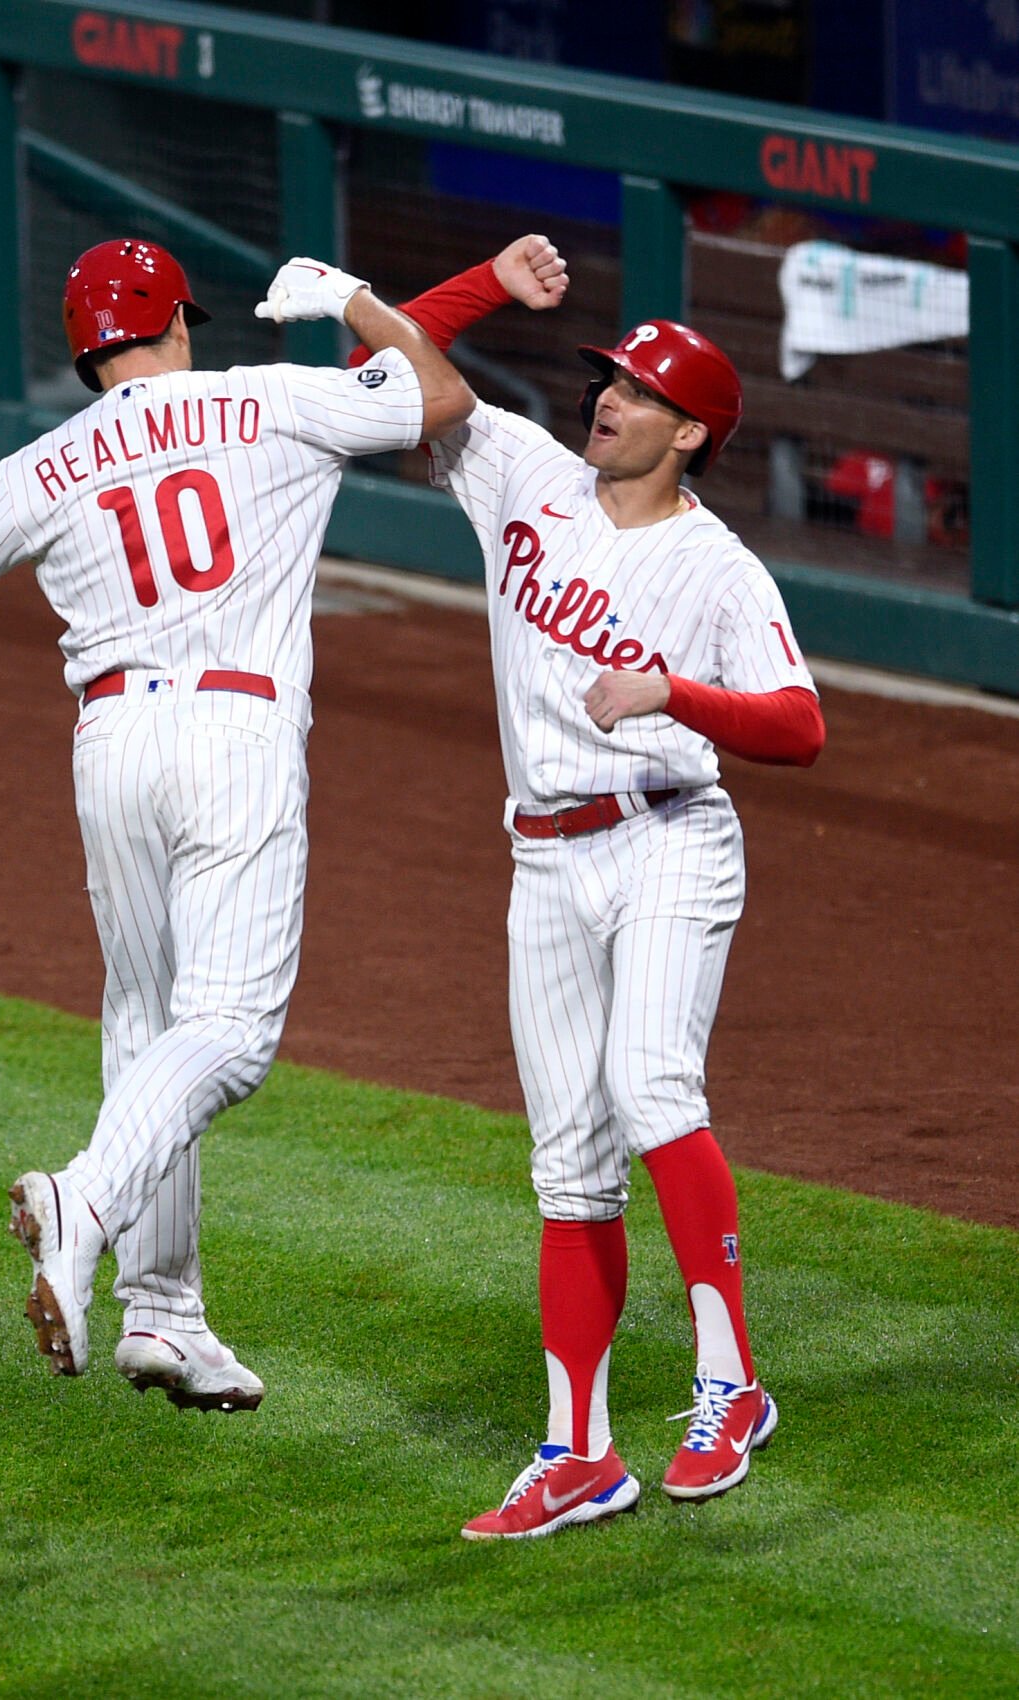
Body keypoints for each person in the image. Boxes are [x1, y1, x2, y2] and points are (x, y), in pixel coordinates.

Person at [0, 238, 475, 1411]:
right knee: (233, 1031)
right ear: (176, 320)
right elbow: (439, 394)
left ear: (83, 344)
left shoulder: (52, 458)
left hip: (110, 745)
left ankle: (164, 1313)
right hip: (232, 737)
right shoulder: (261, 397)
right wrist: (356, 300)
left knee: (147, 1019)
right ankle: (86, 1204)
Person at [343, 236, 825, 1537]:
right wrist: (490, 283)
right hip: (539, 860)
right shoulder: (517, 475)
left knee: (649, 1085)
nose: (605, 400)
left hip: (669, 837)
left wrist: (676, 693)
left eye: (636, 393)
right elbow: (375, 363)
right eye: (607, 379)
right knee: (566, 1163)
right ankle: (578, 1452)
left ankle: (727, 1381)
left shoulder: (718, 569)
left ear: (688, 435)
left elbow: (795, 726)